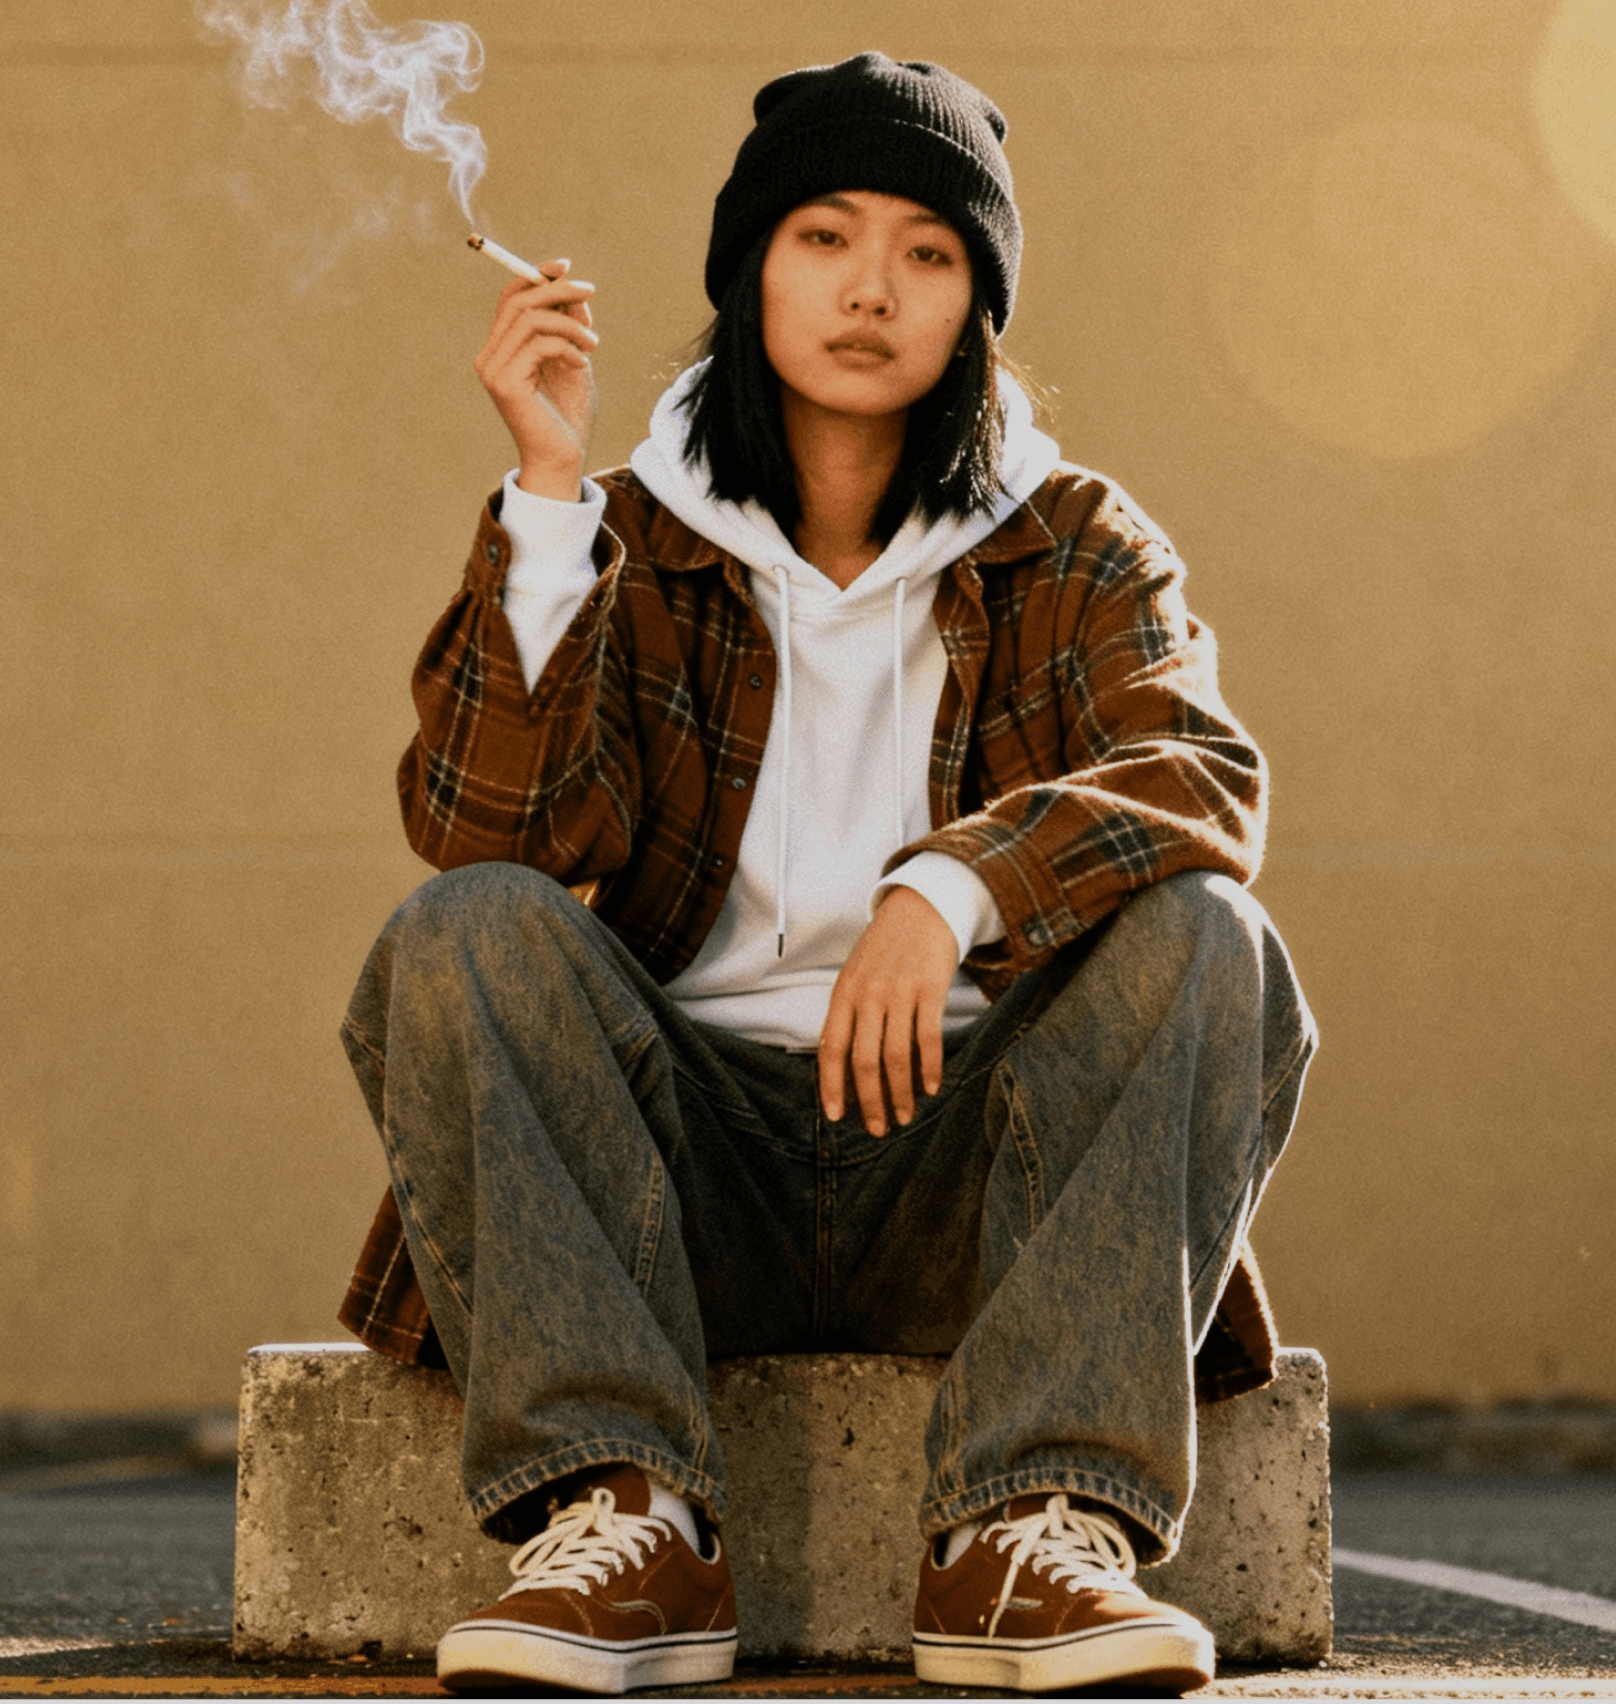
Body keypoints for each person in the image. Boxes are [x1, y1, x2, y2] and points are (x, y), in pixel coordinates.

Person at [338, 51, 1316, 1697]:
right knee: (463, 931)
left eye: (929, 253)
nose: (873, 290)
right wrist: (550, 499)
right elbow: (488, 832)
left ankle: (1028, 1528)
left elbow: (1201, 777)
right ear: (749, 272)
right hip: (678, 1175)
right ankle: (628, 1516)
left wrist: (950, 889)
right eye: (824, 236)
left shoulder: (1070, 538)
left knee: (1211, 937)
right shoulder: (628, 533)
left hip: (970, 1172)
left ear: (975, 304)